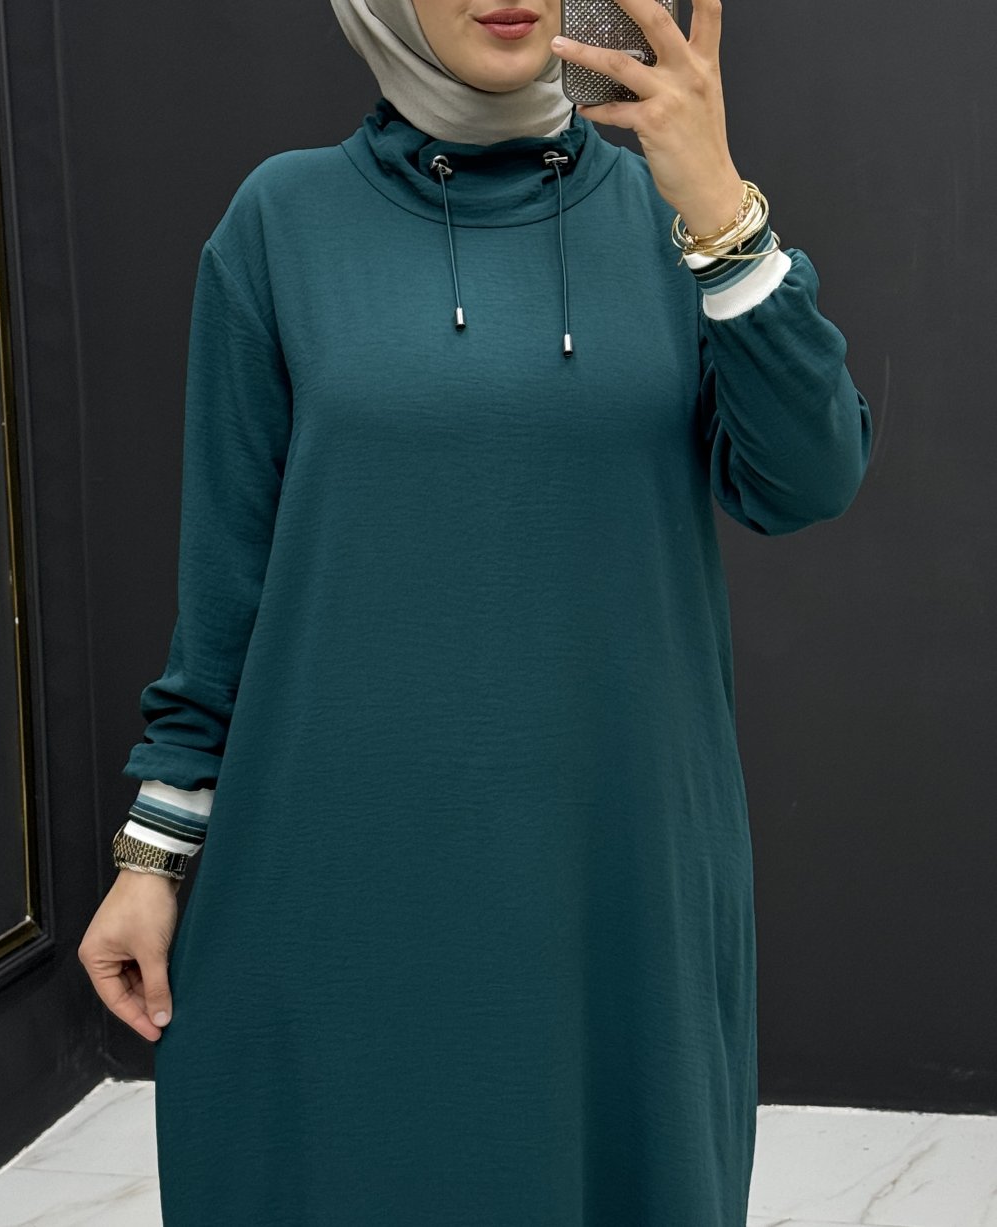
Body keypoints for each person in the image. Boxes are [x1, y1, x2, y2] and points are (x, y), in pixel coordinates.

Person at [78, 0, 873, 1221]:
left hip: (613, 868)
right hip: (337, 872)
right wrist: (154, 853)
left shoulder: (671, 215)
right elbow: (227, 579)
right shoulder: (281, 222)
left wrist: (719, 211)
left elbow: (807, 479)